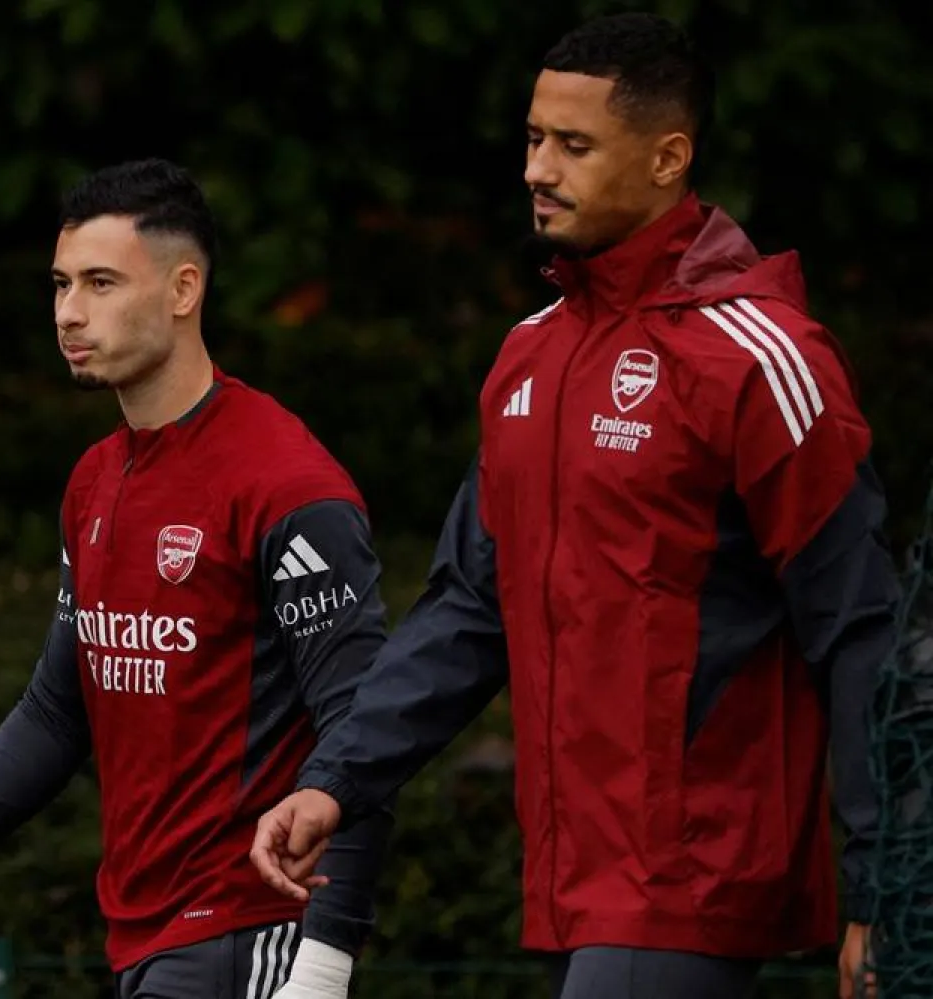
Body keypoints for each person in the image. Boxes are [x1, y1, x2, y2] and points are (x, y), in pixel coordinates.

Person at [249, 14, 899, 999]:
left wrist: (884, 887)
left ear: (668, 158)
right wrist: (335, 779)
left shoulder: (759, 359)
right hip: (570, 882)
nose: (537, 170)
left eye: (574, 145)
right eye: (532, 138)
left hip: (692, 877)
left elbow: (861, 628)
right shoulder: (531, 354)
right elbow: (469, 610)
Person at [0, 158, 395, 999]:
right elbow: (59, 709)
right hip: (142, 941)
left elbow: (364, 733)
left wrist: (324, 964)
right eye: (61, 285)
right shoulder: (95, 481)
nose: (68, 312)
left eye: (100, 283)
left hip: (249, 933)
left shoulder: (287, 486)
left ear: (183, 288)